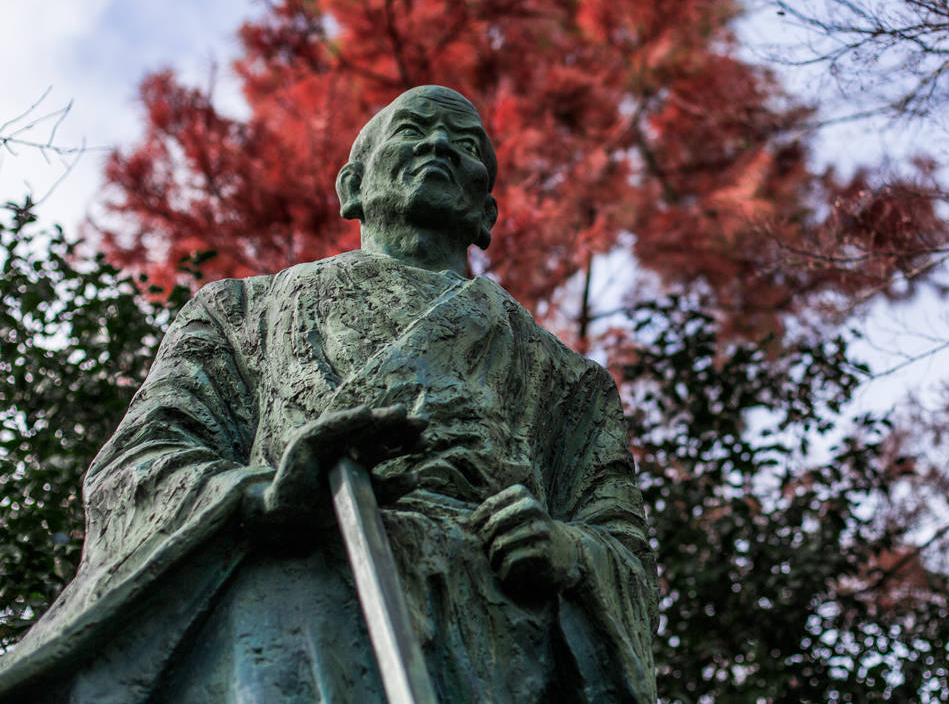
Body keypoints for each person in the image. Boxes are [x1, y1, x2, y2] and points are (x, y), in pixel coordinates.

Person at [0, 86, 657, 704]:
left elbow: (618, 539)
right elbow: (140, 463)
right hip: (289, 602)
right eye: (412, 129)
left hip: (495, 629)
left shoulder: (568, 379)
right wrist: (267, 495)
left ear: (486, 213)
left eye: (464, 143)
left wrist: (567, 551)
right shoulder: (239, 312)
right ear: (352, 186)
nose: (437, 146)